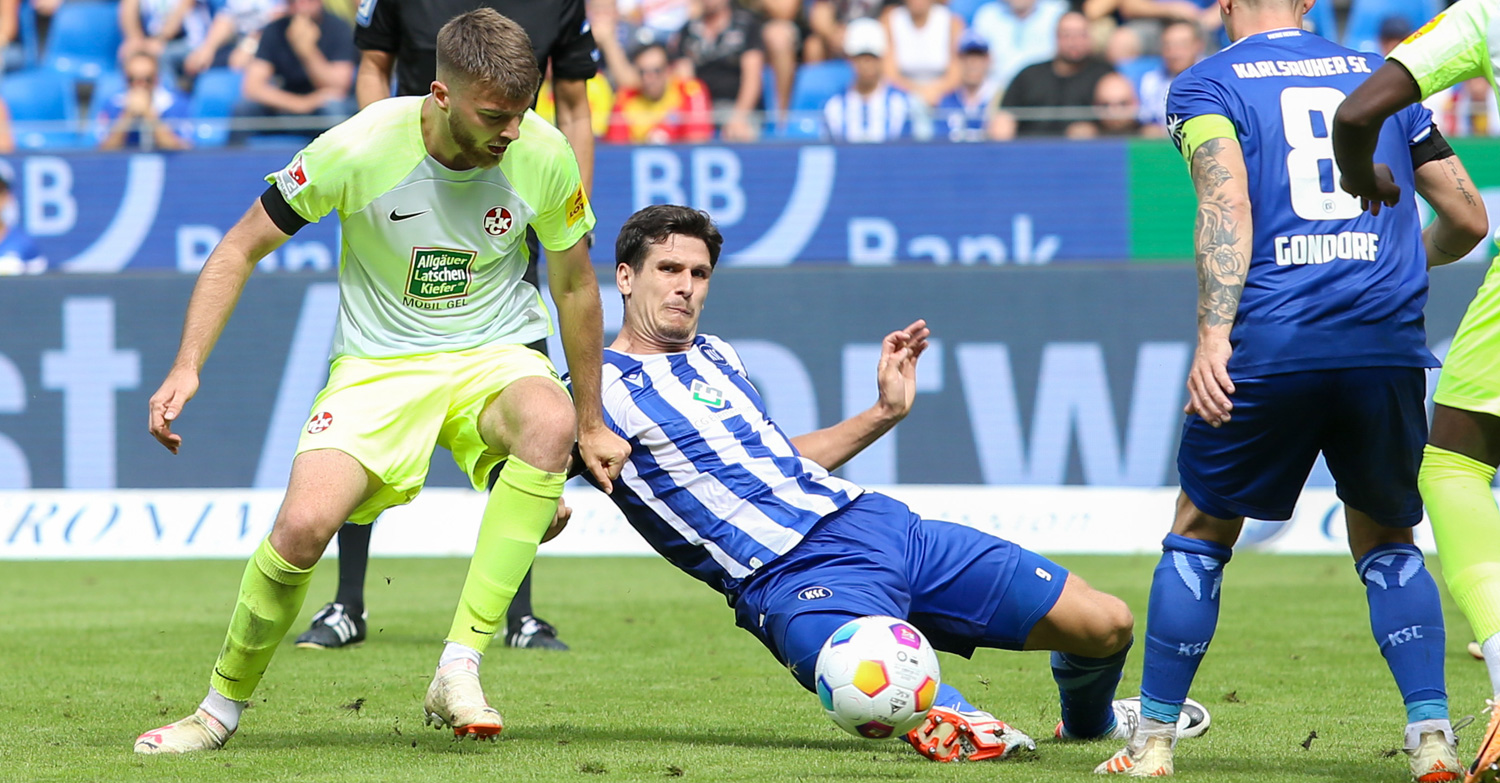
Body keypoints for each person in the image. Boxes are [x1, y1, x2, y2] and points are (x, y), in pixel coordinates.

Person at [133, 9, 627, 754]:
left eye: (521, 115)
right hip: (379, 364)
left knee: (549, 419)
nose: (510, 132)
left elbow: (576, 288)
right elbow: (238, 248)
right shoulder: (359, 146)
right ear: (439, 94)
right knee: (301, 529)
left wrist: (590, 421)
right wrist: (186, 364)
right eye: (494, 116)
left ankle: (459, 666)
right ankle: (216, 710)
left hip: (493, 348)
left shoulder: (544, 152)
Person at [576, 203, 1210, 764]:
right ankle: (952, 715)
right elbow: (532, 461)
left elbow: (775, 462)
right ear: (625, 277)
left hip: (878, 526)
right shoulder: (593, 389)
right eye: (668, 270)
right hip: (789, 580)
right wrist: (539, 499)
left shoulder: (716, 354)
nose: (685, 287)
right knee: (969, 731)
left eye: (699, 273)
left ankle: (1090, 724)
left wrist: (883, 413)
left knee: (1107, 624)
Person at [1092, 0, 1491, 777]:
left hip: (1274, 338)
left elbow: (1226, 202)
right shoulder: (1386, 81)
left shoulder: (1205, 85)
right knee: (1387, 536)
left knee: (1203, 527)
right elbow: (1469, 217)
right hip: (1385, 342)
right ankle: (1433, 739)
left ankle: (1153, 744)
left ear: (1222, 4)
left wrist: (1214, 334)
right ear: (1308, 2)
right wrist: (1398, 262)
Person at [297, 0, 601, 653]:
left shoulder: (558, 5)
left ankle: (517, 613)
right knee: (362, 413)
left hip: (502, 206)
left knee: (533, 419)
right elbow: (373, 70)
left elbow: (573, 105)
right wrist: (379, 173)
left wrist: (561, 214)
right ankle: (348, 602)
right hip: (409, 200)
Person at [1333, 0, 1500, 778]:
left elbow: (1363, 104)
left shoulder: (1484, 16)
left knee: (1454, 462)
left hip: (1307, 332)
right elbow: (1465, 218)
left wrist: (1356, 168)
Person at [233, 0, 356, 140]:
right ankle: (234, 159)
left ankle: (342, 159)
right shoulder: (275, 29)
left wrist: (307, 51)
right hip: (287, 104)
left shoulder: (339, 28)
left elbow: (339, 87)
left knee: (334, 107)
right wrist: (299, 103)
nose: (301, 3)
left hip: (321, 107)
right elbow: (252, 87)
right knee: (244, 107)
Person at [990, 12, 1113, 138]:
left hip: (1084, 153)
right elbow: (1004, 118)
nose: (1074, 41)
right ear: (1056, 37)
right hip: (1029, 151)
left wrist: (1095, 132)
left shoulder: (1105, 76)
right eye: (1067, 34)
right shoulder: (1029, 75)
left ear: (1090, 38)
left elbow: (1120, 117)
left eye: (1081, 35)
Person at [668, 0, 763, 141]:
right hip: (702, 110)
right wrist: (696, 118)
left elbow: (753, 79)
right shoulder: (688, 31)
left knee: (742, 135)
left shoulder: (746, 25)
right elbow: (685, 79)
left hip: (736, 107)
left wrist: (739, 117)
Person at [822, 17, 911, 142]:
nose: (866, 64)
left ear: (881, 59)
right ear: (850, 59)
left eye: (872, 57)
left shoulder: (901, 104)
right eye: (860, 57)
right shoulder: (834, 106)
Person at [605, 41, 714, 143]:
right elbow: (617, 147)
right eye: (643, 72)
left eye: (657, 71)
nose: (649, 78)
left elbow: (698, 140)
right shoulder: (626, 98)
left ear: (668, 70)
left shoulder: (690, 91)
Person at [97, 49, 194, 150]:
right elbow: (103, 150)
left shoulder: (178, 103)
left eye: (147, 80)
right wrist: (127, 116)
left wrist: (149, 115)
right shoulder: (112, 104)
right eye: (132, 79)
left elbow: (182, 151)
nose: (139, 86)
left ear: (156, 79)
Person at [970, 0, 1069, 96]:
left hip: (1046, 92)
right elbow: (974, 61)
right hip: (997, 93)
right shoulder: (987, 15)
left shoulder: (1057, 12)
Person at [882, 0, 963, 109]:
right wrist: (918, 94)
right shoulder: (890, 20)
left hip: (942, 97)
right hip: (902, 98)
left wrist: (935, 91)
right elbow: (889, 73)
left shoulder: (952, 21)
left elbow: (957, 72)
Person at [1136, 19, 1202, 130]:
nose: (1174, 53)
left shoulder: (1213, 77)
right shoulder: (1151, 81)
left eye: (1181, 45)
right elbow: (1147, 119)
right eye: (1168, 46)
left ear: (1198, 45)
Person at [937, 31, 997, 141]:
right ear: (958, 61)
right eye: (966, 57)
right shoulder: (947, 100)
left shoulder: (998, 97)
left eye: (978, 57)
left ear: (987, 60)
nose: (972, 63)